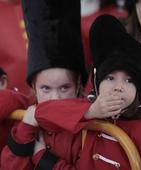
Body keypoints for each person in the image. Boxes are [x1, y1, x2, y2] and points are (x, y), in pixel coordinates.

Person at [29, 15, 141, 169]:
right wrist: (90, 111)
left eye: (129, 81)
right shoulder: (88, 109)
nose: (118, 87)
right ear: (97, 83)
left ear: (139, 90)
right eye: (110, 78)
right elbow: (41, 114)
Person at [0, 0, 87, 169]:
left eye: (64, 88)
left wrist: (44, 159)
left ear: (77, 85)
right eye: (45, 89)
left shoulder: (90, 128)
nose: (55, 98)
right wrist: (24, 132)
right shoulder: (25, 120)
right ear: (33, 88)